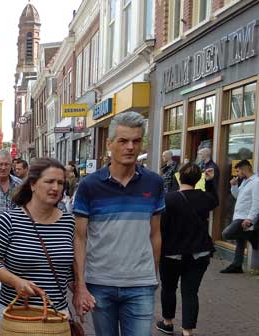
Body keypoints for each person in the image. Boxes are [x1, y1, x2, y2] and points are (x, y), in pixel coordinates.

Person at [73, 111, 165, 336]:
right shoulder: (90, 186)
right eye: (123, 141)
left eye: (136, 141)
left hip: (140, 284)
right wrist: (81, 285)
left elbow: (155, 234)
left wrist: (152, 275)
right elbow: (80, 238)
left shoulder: (154, 183)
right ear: (109, 144)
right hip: (100, 282)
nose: (130, 147)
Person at [0, 158, 74, 333]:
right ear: (33, 184)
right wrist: (15, 281)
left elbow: (68, 268)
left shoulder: (68, 222)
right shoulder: (9, 220)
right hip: (16, 315)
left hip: (56, 315)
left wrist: (80, 291)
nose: (55, 188)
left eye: (60, 183)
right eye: (49, 181)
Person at [156, 164, 218, 336]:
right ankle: (187, 331)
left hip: (171, 253)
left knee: (168, 288)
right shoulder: (205, 198)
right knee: (191, 292)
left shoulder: (168, 199)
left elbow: (161, 228)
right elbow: (215, 200)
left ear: (179, 177)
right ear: (198, 179)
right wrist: (210, 182)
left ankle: (168, 323)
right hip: (199, 253)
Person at [220, 160, 259, 273]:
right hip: (239, 215)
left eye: (238, 171)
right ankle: (237, 265)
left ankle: (252, 235)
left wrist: (250, 219)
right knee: (240, 241)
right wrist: (234, 186)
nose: (237, 174)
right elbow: (238, 196)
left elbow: (257, 202)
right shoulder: (245, 181)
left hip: (245, 217)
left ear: (244, 169)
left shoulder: (256, 182)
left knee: (226, 233)